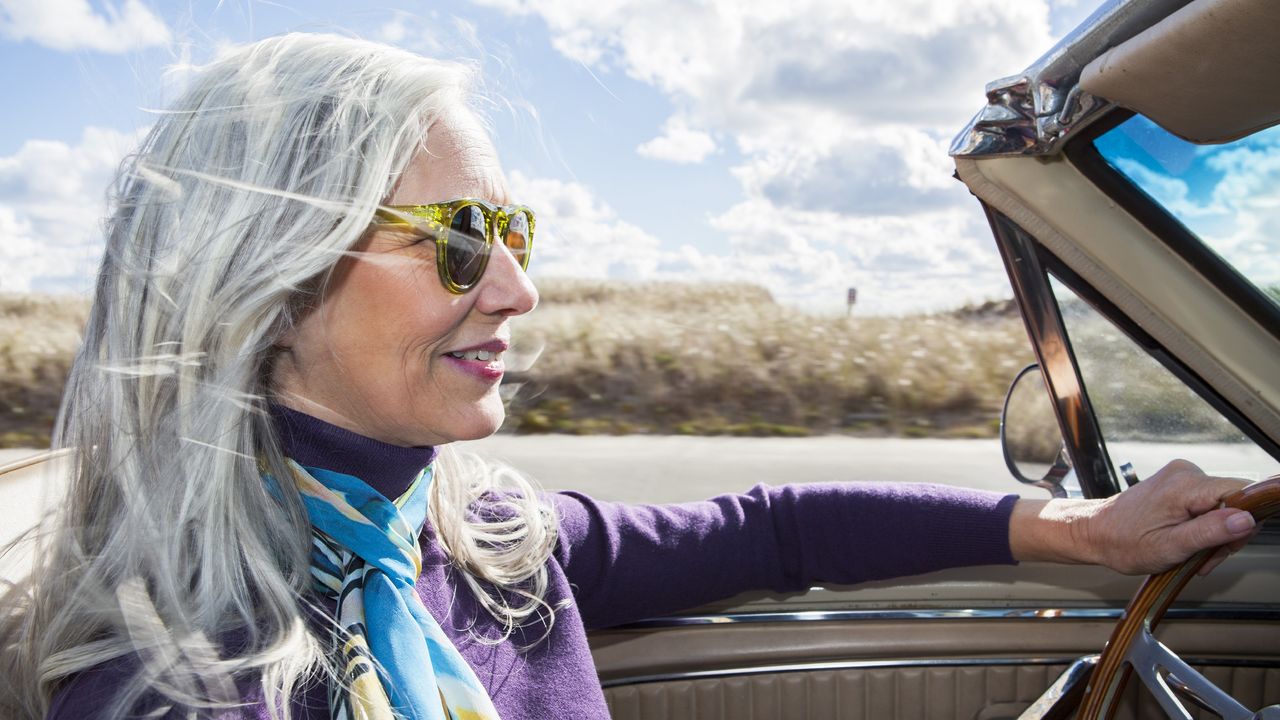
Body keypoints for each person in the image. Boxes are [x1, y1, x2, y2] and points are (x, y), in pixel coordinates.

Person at [0, 33, 1258, 720]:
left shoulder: (473, 532)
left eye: (513, 235)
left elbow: (770, 527)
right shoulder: (174, 689)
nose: (515, 290)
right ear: (266, 285)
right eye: (453, 241)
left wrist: (1079, 528)